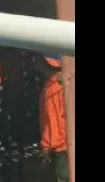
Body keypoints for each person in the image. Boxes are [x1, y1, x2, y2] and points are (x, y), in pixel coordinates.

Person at [38, 54, 68, 182]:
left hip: (62, 148)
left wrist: (45, 149)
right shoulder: (67, 81)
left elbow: (51, 123)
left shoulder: (51, 88)